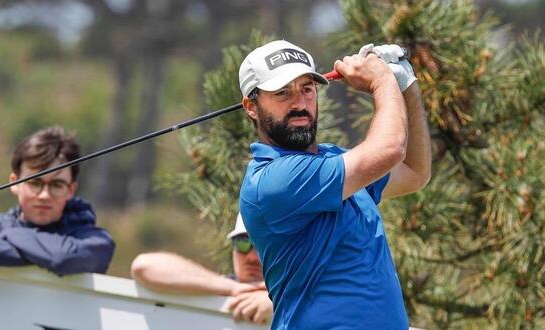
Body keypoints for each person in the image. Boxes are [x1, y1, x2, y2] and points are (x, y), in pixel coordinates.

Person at [238, 40, 431, 329]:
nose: (300, 104)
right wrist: (381, 82)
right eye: (282, 93)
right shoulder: (274, 179)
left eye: (307, 89)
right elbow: (390, 149)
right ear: (252, 107)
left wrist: (406, 85)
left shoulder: (334, 160)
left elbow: (414, 172)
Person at [0, 126, 116, 276]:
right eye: (35, 182)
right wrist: (40, 254)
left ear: (71, 190)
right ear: (14, 183)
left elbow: (63, 258)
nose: (44, 195)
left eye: (57, 185)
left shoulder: (96, 240)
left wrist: (10, 234)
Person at [130, 213, 273, 325]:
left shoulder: (292, 300)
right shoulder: (221, 287)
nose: (252, 257)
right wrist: (232, 288)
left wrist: (278, 305)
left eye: (261, 247)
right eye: (243, 242)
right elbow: (143, 266)